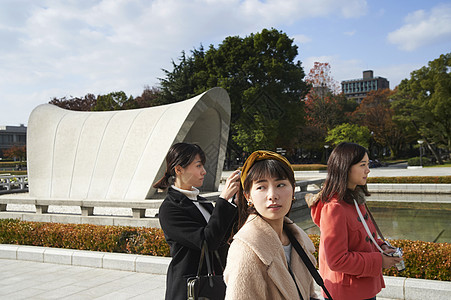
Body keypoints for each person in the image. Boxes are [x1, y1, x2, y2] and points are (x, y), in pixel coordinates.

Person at [306, 142, 403, 300]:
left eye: (368, 164)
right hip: (347, 293)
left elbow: (364, 239)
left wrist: (383, 247)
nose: (368, 170)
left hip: (363, 287)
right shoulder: (334, 208)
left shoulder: (354, 199)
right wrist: (380, 261)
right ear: (345, 167)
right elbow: (337, 260)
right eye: (362, 164)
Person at [224, 150, 320, 300]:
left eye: (280, 185)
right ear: (248, 196)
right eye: (261, 187)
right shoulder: (247, 249)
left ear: (293, 189)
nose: (272, 195)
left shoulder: (298, 240)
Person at [154, 142, 240, 300]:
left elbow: (221, 237)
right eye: (198, 166)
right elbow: (207, 242)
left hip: (214, 285)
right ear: (179, 169)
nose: (204, 171)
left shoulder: (202, 202)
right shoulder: (170, 208)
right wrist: (223, 200)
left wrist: (236, 202)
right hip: (190, 289)